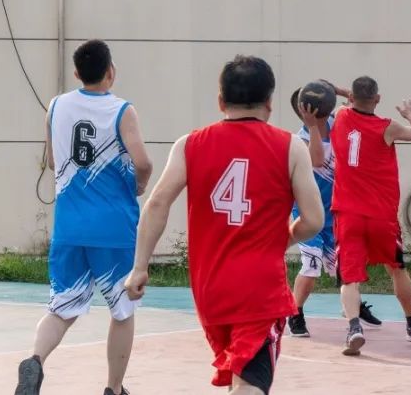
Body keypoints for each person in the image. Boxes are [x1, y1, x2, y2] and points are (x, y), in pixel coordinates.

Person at [124, 55, 324, 394]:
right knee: (251, 385)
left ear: (220, 101)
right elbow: (314, 220)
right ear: (270, 102)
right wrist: (284, 238)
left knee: (241, 378)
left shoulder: (189, 144)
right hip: (259, 290)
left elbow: (157, 203)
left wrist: (140, 266)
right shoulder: (290, 147)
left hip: (210, 290)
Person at [16, 39, 153, 395]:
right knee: (122, 310)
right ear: (111, 71)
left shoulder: (56, 106)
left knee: (61, 308)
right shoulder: (122, 110)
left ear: (76, 73)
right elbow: (143, 162)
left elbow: (52, 161)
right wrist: (138, 184)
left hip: (69, 228)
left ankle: (35, 361)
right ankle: (113, 388)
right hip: (113, 228)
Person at [329, 76, 411, 356]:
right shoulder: (388, 127)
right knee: (396, 268)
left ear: (351, 97)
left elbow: (350, 100)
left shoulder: (340, 116)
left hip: (348, 213)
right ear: (378, 99)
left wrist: (338, 91)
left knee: (349, 276)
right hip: (380, 214)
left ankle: (354, 327)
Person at [285, 80, 382, 337]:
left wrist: (337, 91)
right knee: (311, 265)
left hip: (335, 211)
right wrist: (312, 126)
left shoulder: (337, 122)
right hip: (307, 213)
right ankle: (295, 313)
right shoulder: (301, 138)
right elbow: (317, 160)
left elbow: (357, 103)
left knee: (346, 266)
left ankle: (353, 306)